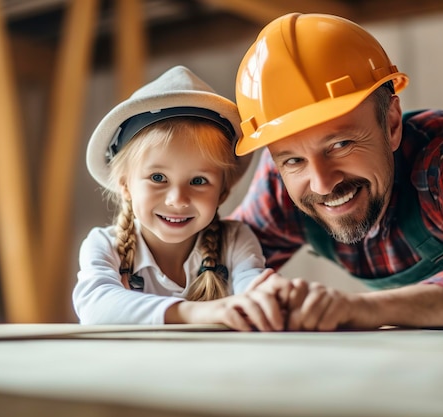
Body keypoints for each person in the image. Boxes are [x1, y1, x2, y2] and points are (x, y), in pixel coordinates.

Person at [229, 12, 443, 331]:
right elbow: (209, 261)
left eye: (341, 145)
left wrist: (363, 310)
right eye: (293, 161)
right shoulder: (281, 188)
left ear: (391, 123)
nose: (322, 183)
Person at [73, 65, 290, 331]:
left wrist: (269, 296)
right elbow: (95, 306)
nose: (178, 199)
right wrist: (196, 313)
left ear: (222, 192)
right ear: (125, 185)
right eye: (158, 178)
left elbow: (252, 287)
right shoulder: (105, 245)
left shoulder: (235, 241)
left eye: (198, 181)